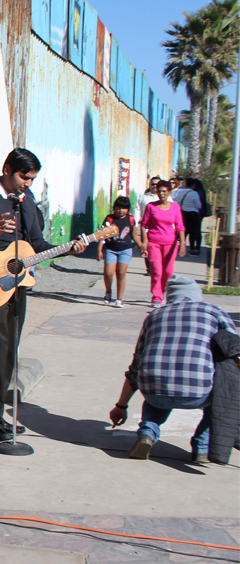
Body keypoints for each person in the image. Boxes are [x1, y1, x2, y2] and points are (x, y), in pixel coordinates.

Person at [0, 148, 85, 447]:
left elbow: (36, 243)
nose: (27, 183)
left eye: (32, 179)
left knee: (8, 354)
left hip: (17, 284)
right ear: (7, 170)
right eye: (23, 177)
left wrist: (67, 249)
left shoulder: (26, 202)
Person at [109, 276, 237, 462]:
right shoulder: (214, 311)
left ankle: (147, 433)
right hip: (199, 393)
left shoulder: (154, 315)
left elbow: (136, 365)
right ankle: (202, 447)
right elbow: (235, 348)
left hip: (154, 392)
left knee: (156, 387)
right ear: (196, 295)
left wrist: (121, 405)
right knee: (221, 393)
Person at [140, 180, 186, 308]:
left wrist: (182, 243)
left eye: (164, 191)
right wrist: (145, 241)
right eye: (159, 191)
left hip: (170, 244)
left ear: (169, 192)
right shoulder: (151, 206)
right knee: (157, 271)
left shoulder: (175, 207)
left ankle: (165, 291)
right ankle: (156, 297)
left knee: (168, 272)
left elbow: (180, 226)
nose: (161, 194)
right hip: (154, 242)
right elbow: (143, 225)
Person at [96, 196, 142, 308]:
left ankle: (119, 299)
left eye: (123, 208)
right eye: (118, 208)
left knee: (121, 273)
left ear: (128, 209)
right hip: (110, 249)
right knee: (108, 273)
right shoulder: (109, 219)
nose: (120, 210)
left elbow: (134, 235)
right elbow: (102, 235)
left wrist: (141, 246)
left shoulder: (130, 219)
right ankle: (108, 291)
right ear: (114, 208)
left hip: (125, 250)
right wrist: (99, 250)